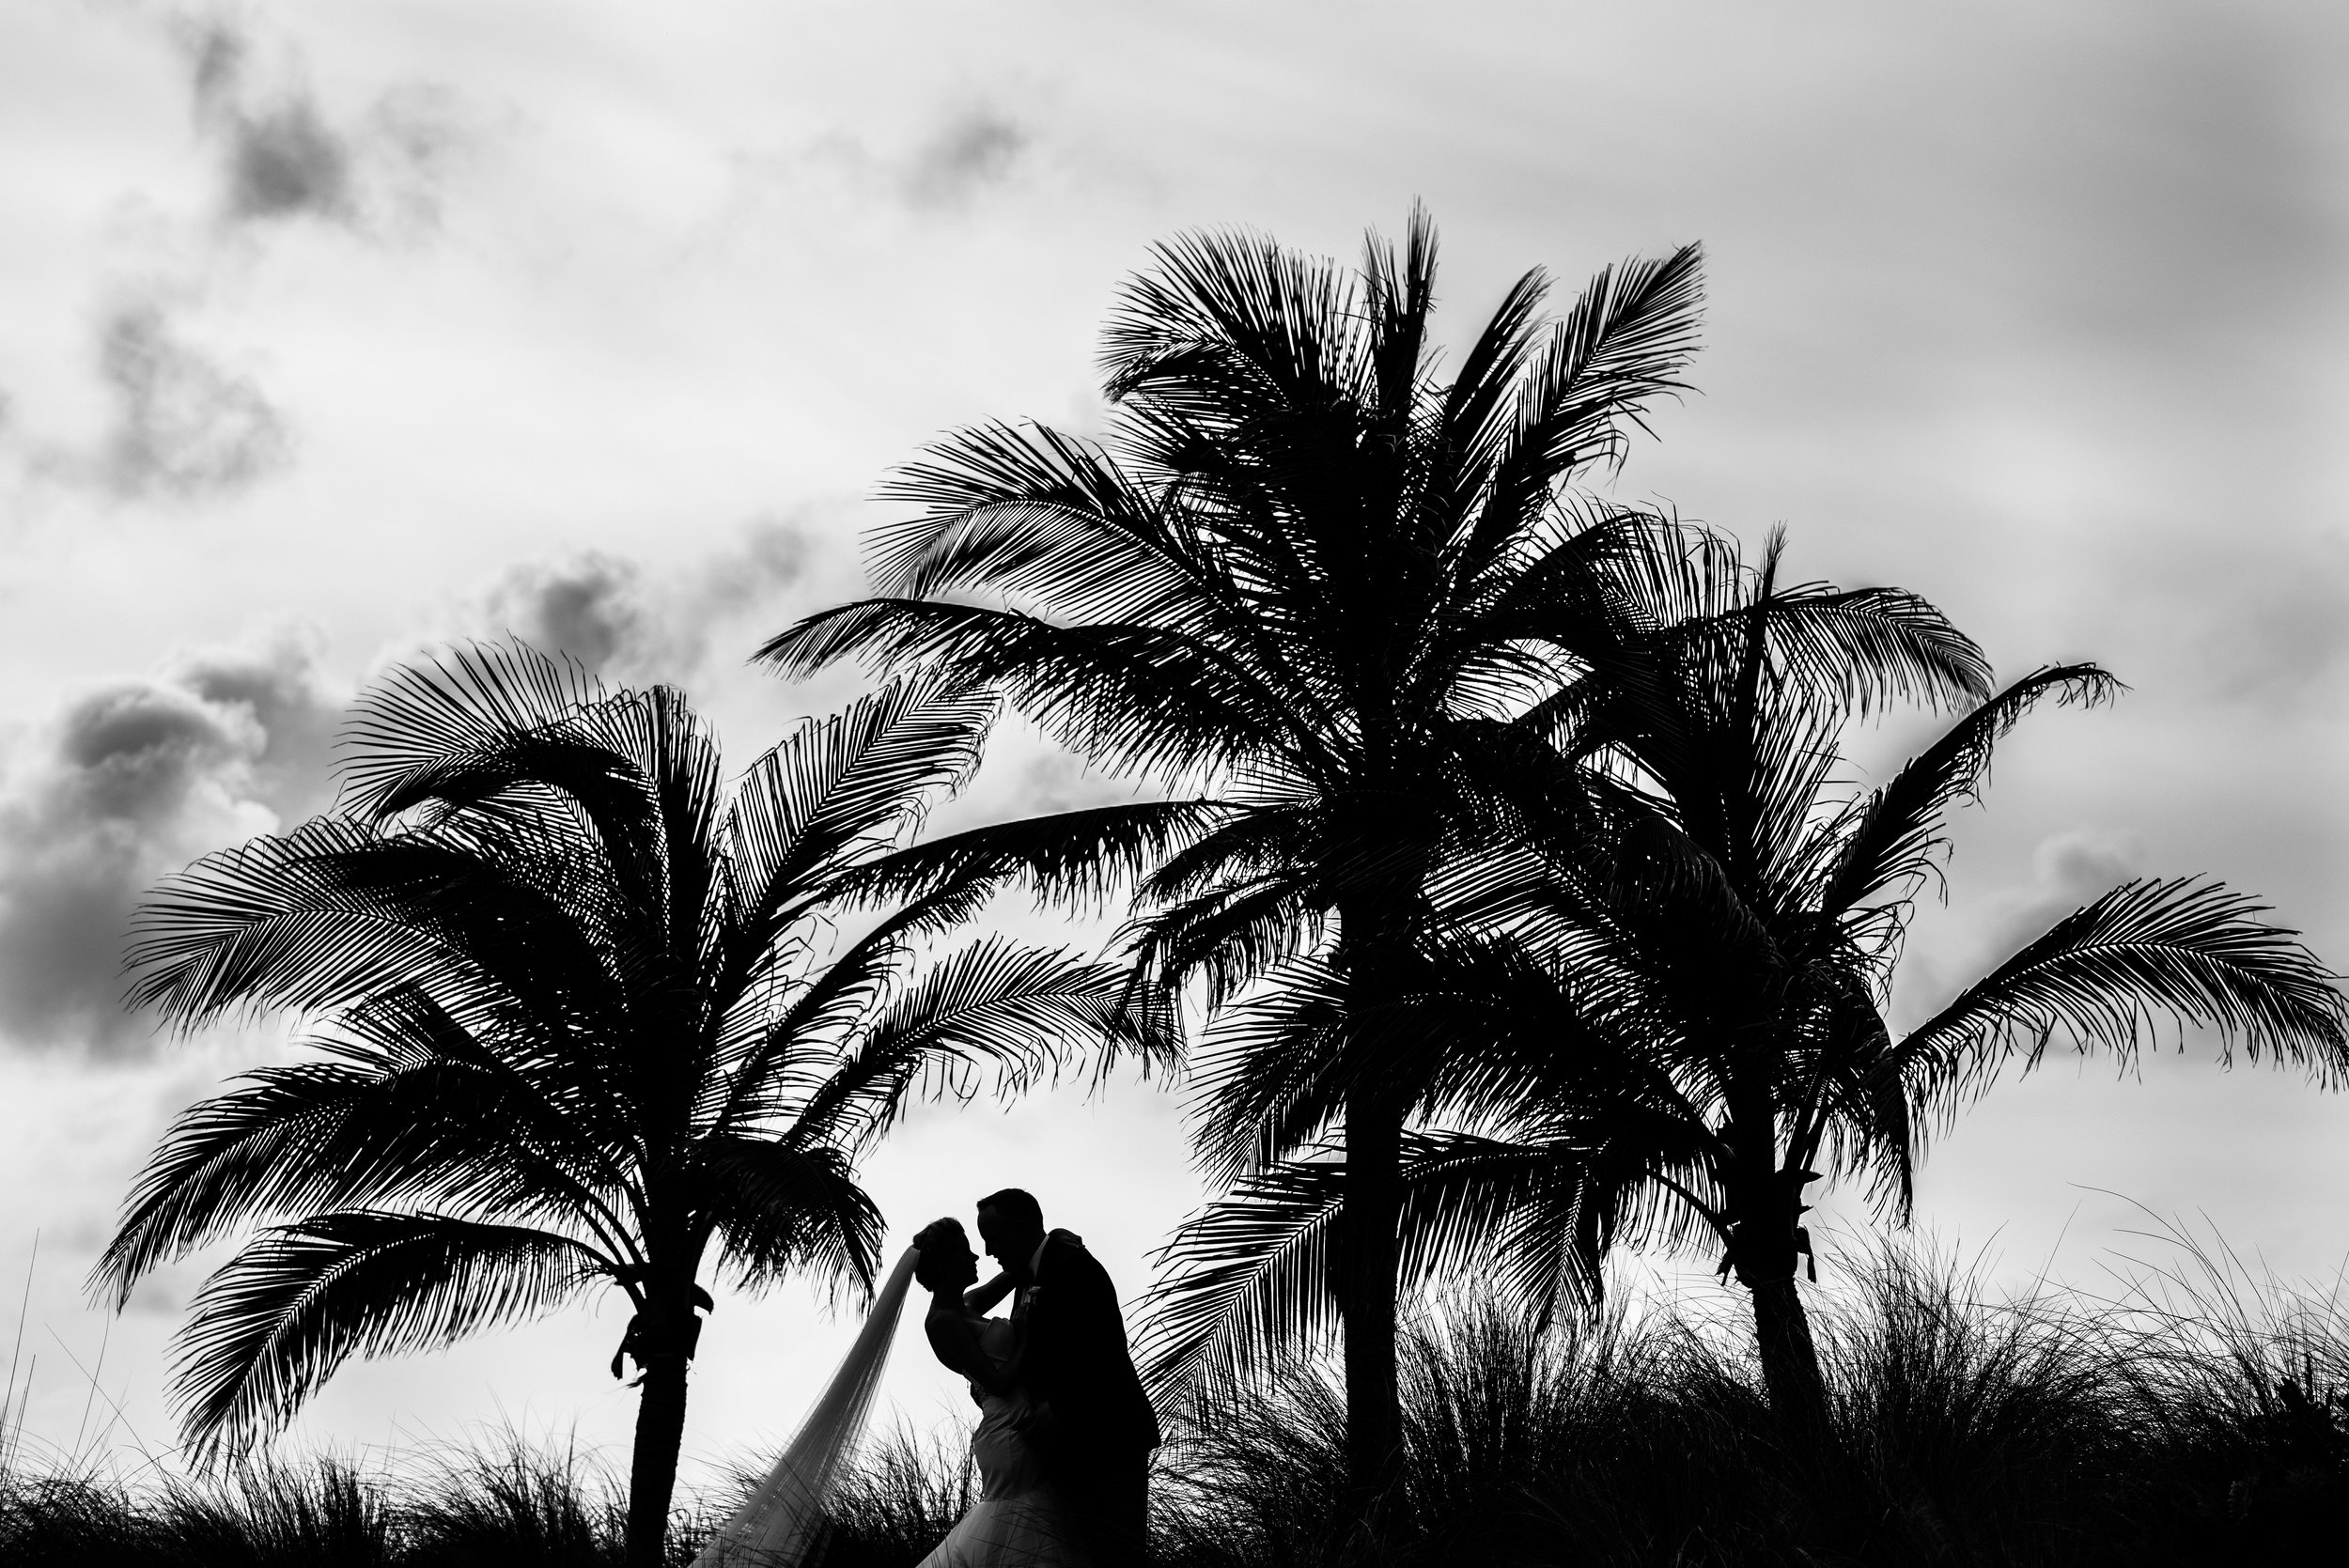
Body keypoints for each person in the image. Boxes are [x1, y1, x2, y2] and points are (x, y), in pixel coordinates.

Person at [968, 1189, 1159, 1565]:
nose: (989, 1252)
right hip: (1063, 1448)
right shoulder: (1029, 1276)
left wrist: (1057, 1408)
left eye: (993, 1239)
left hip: (1106, 1437)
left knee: (1116, 1552)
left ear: (1021, 1228)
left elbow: (1101, 1352)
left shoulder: (1074, 1267)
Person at [913, 1217, 1092, 1567]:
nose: (978, 1257)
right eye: (966, 1253)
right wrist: (1024, 1337)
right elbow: (997, 1382)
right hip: (1009, 1431)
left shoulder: (964, 1306)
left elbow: (1014, 1271)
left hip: (1017, 1421)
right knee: (1023, 1529)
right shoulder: (942, 1321)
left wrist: (1055, 1239)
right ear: (947, 1264)